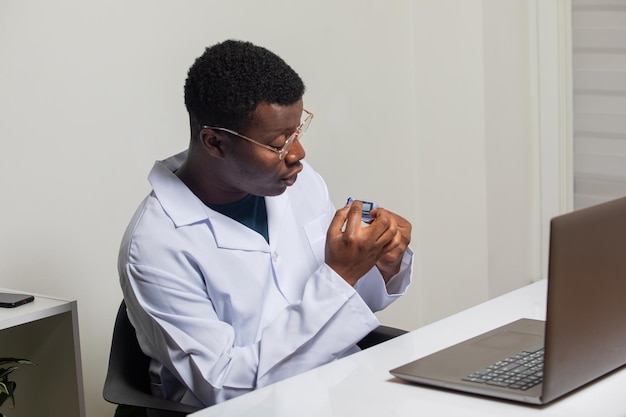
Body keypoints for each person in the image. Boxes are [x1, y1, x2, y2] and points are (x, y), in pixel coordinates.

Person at [118, 39, 413, 408]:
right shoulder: (155, 246)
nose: (298, 154)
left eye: (298, 132)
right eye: (278, 143)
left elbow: (350, 305)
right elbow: (224, 386)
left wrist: (380, 265)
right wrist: (341, 276)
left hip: (337, 388)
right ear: (215, 142)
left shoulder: (300, 184)